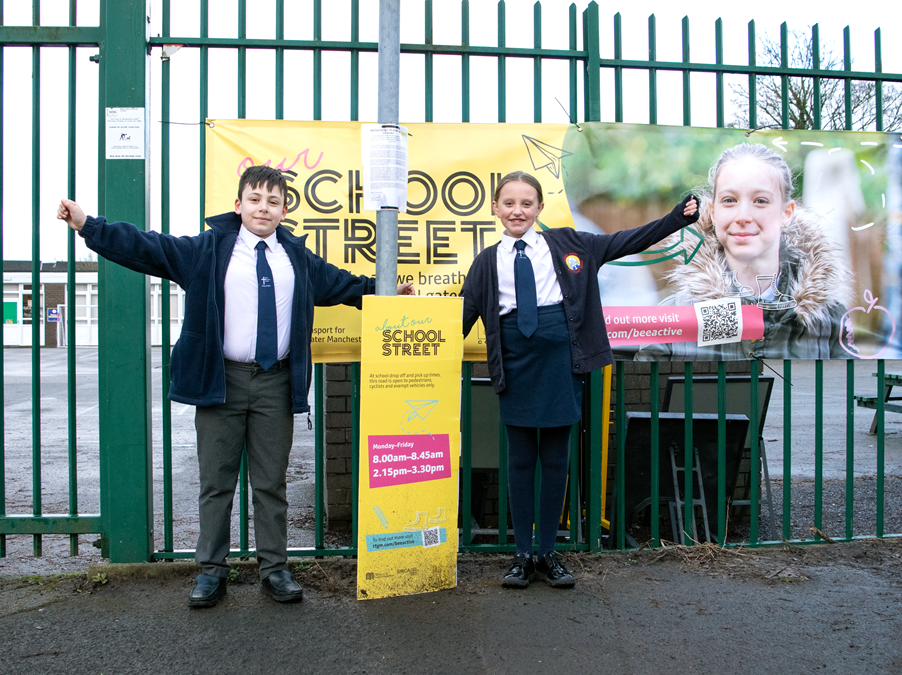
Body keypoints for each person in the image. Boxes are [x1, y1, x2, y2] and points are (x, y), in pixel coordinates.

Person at [58, 166, 414, 608]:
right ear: (238, 204)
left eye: (273, 201)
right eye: (255, 199)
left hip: (276, 381)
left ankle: (275, 569)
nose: (263, 208)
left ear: (285, 210)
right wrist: (89, 225)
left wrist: (385, 293)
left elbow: (344, 285)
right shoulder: (208, 249)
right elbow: (149, 247)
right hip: (220, 380)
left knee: (270, 482)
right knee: (217, 483)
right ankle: (210, 572)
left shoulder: (297, 258)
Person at [461, 171, 698, 587]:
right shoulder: (486, 263)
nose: (518, 210)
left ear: (539, 209)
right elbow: (459, 320)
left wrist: (677, 218)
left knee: (555, 460)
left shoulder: (571, 245)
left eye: (526, 203)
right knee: (519, 461)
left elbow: (628, 240)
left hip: (560, 367)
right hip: (515, 369)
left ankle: (548, 552)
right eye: (509, 203)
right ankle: (521, 556)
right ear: (495, 208)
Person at [635, 143, 853, 361]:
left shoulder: (829, 320)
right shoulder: (673, 317)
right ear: (713, 212)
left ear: (786, 214)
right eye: (729, 200)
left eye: (760, 201)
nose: (743, 216)